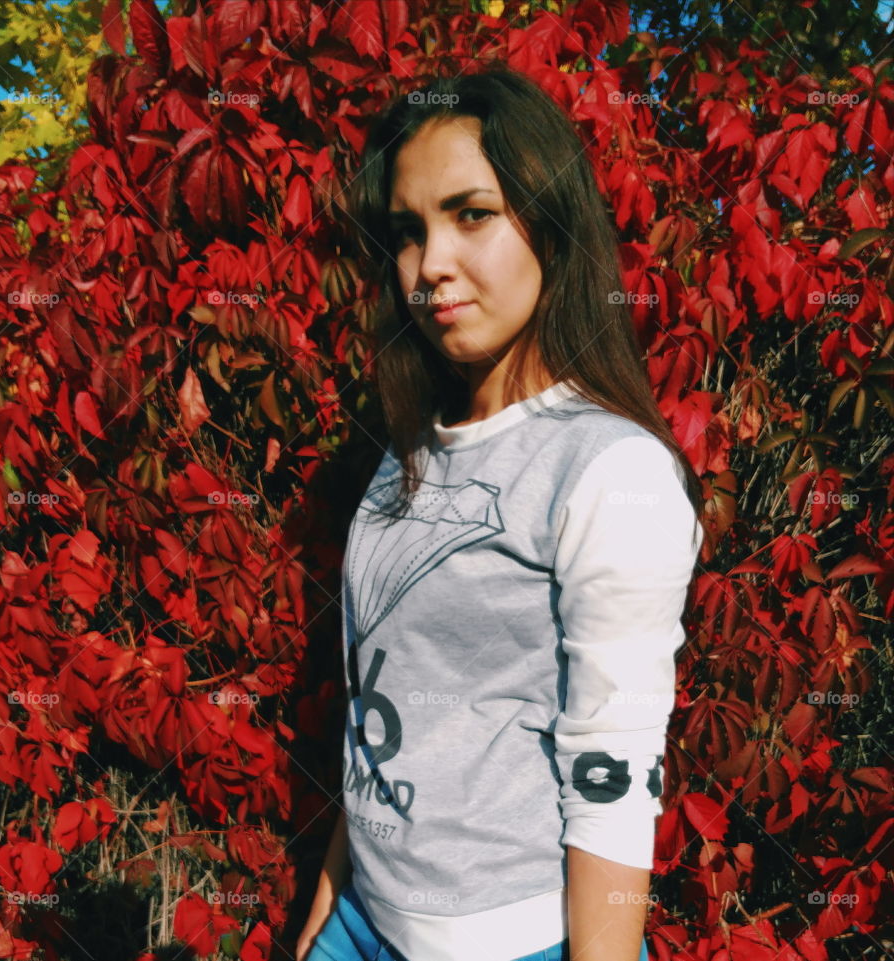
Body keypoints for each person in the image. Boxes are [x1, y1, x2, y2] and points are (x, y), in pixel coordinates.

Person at [297, 63, 704, 961]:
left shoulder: (610, 470)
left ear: (551, 227)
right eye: (408, 231)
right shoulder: (408, 449)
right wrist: (327, 907)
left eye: (471, 213)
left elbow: (613, 778)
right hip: (363, 915)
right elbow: (383, 694)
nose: (430, 262)